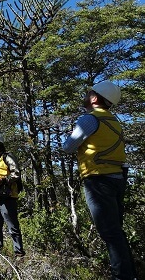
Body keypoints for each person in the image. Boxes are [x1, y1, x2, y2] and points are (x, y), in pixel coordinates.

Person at [63, 80, 136, 280]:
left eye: (89, 92)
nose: (86, 95)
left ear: (95, 98)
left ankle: (122, 277)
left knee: (110, 234)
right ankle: (130, 273)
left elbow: (68, 146)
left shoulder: (89, 119)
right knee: (116, 232)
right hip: (117, 179)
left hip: (98, 180)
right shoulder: (114, 120)